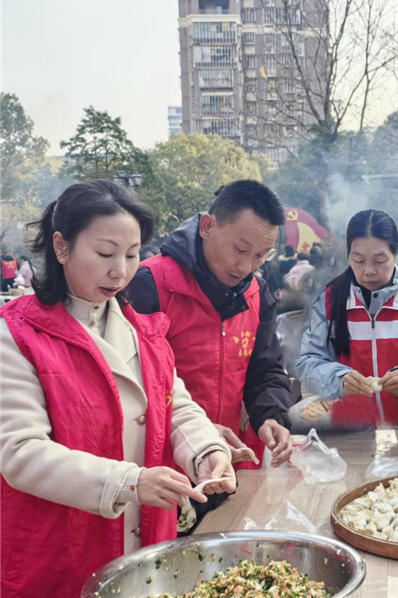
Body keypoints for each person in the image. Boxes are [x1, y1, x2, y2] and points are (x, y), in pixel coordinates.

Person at [0, 180, 234, 598]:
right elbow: (20, 452)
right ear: (61, 246)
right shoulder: (17, 335)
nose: (121, 271)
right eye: (105, 254)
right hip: (62, 548)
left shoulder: (142, 330)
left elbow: (174, 406)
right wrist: (128, 482)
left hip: (145, 543)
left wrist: (207, 452)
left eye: (132, 254)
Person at [127, 180, 294, 473]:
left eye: (261, 255)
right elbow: (132, 385)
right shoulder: (149, 284)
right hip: (164, 467)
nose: (247, 267)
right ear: (207, 227)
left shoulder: (257, 292)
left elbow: (265, 369)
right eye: (240, 249)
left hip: (232, 461)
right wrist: (198, 433)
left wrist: (271, 415)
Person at [293, 210, 398, 431]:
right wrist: (340, 379)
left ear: (395, 254)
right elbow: (308, 363)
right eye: (358, 260)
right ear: (348, 256)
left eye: (380, 260)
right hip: (348, 434)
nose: (368, 271)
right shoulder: (329, 303)